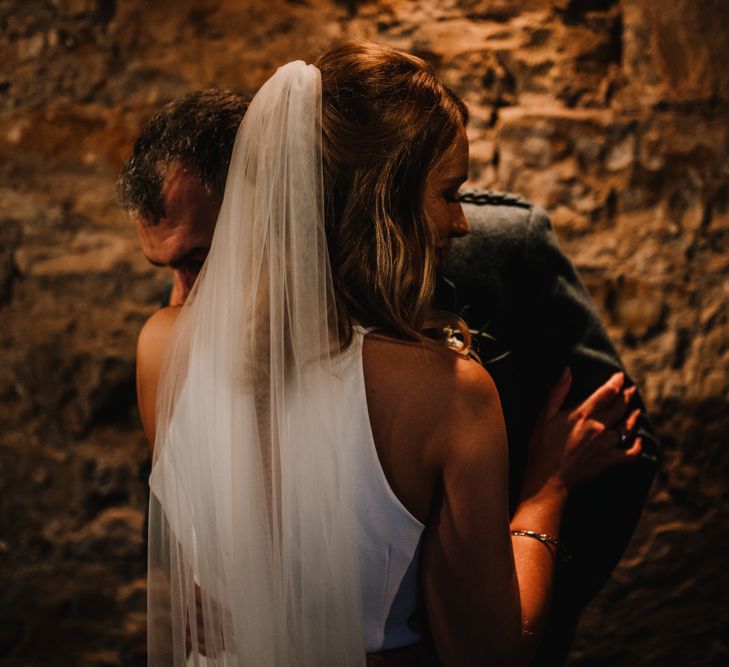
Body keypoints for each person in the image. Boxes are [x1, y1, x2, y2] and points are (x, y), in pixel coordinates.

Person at [126, 43, 656, 665]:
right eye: (449, 192)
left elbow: (203, 591)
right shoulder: (448, 394)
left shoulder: (159, 348)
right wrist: (548, 489)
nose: (461, 221)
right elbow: (488, 654)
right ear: (388, 203)